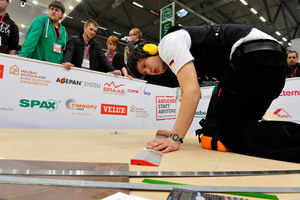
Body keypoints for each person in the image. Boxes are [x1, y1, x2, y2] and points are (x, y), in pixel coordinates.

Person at [127, 24, 300, 163]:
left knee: (213, 135)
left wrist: (175, 137)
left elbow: (192, 92)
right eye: (147, 73)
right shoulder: (181, 49)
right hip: (274, 62)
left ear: (149, 49)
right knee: (240, 128)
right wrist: (175, 130)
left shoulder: (167, 44)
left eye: (144, 66)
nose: (150, 71)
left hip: (253, 58)